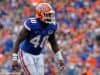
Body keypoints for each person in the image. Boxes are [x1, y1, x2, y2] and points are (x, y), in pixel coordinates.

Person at [7, 3, 64, 75]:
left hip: (38, 54)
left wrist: (60, 58)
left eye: (51, 14)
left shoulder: (52, 26)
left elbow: (53, 42)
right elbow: (18, 40)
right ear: (40, 15)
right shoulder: (31, 24)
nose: (50, 17)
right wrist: (14, 58)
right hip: (25, 53)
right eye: (48, 15)